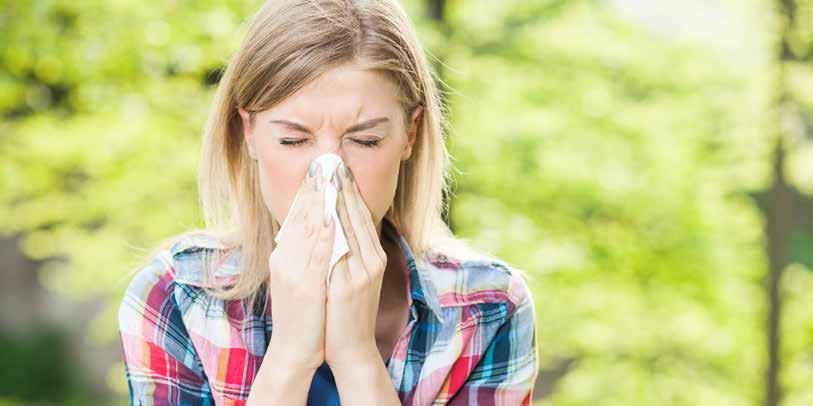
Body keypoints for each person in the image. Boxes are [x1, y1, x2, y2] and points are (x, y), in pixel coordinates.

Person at [117, 0, 538, 404]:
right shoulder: (176, 297)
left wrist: (356, 358)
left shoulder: (489, 310)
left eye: (365, 139)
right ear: (249, 133)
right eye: (294, 140)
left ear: (410, 135)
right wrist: (290, 357)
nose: (329, 174)